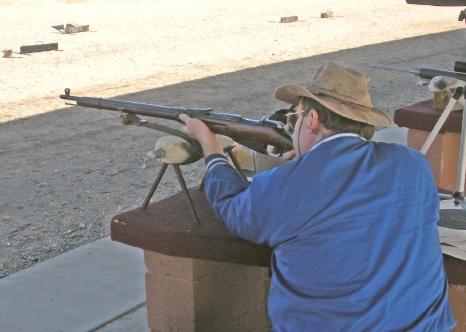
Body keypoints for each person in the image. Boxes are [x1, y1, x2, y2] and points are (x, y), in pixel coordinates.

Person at [179, 62, 455, 331]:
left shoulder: (286, 185)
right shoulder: (413, 163)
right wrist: (302, 165)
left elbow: (233, 210)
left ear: (312, 119)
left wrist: (210, 148)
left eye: (295, 118)